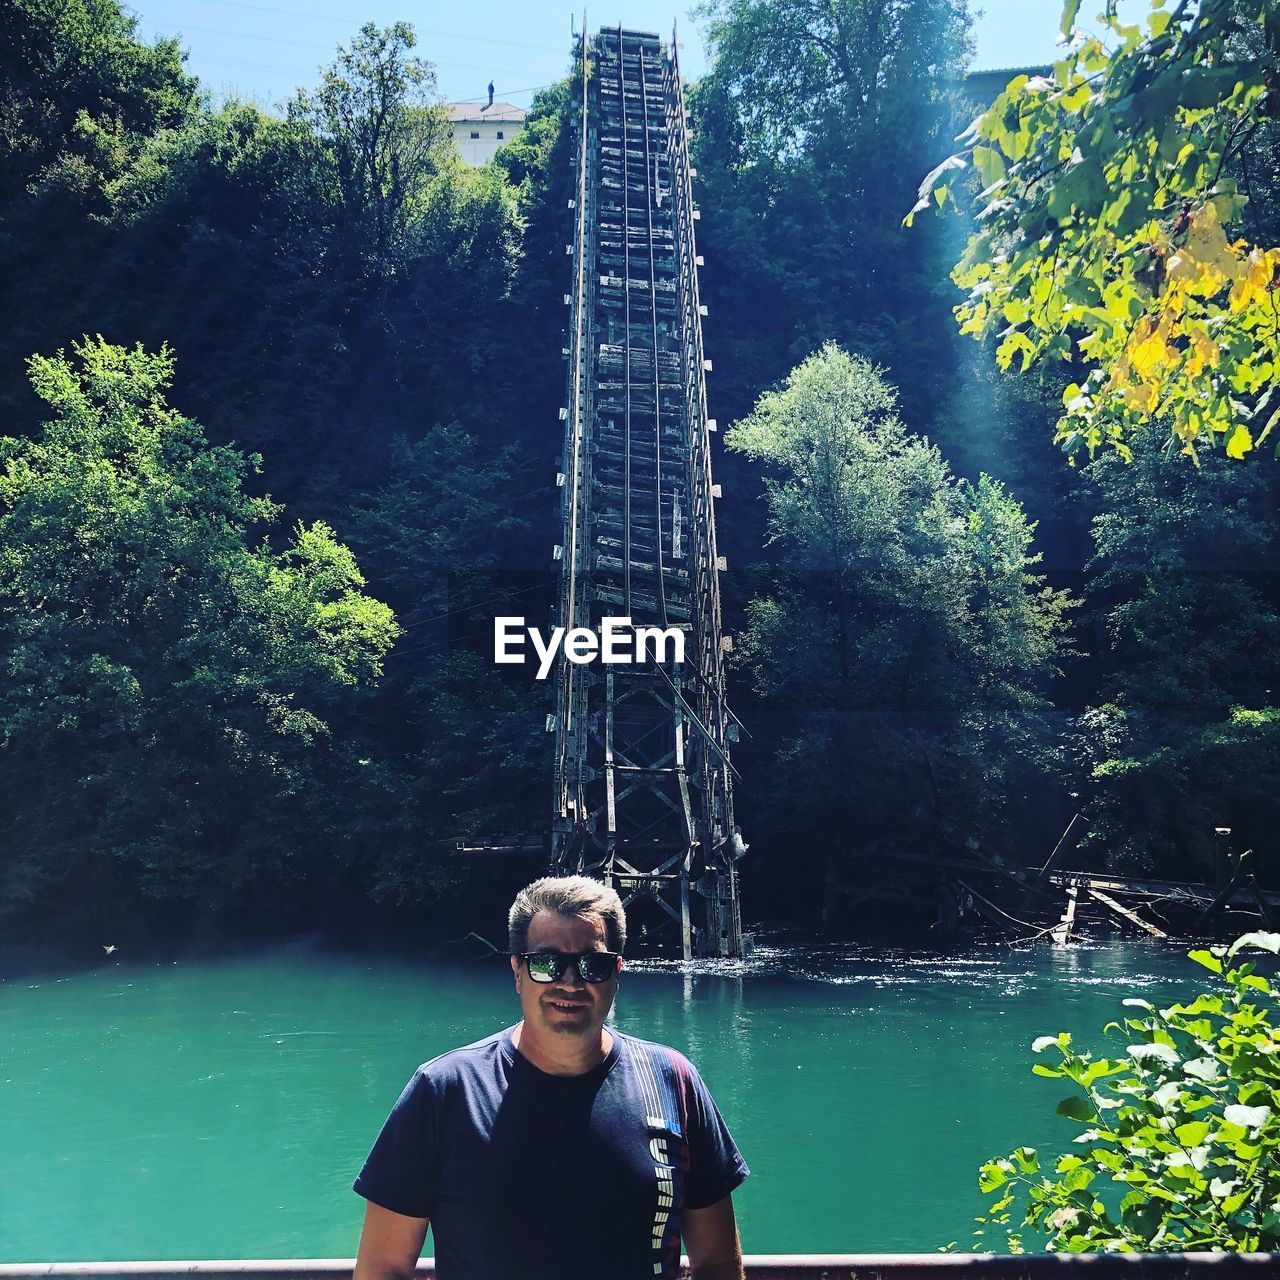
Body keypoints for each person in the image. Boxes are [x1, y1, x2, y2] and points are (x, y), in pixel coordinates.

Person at [352, 875, 749, 1280]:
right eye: (545, 963)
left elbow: (717, 1262)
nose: (570, 982)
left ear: (617, 972)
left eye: (592, 964)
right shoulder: (445, 1090)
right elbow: (384, 1268)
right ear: (517, 972)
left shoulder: (674, 1081)